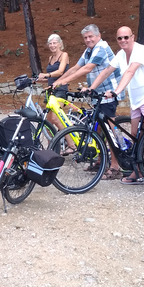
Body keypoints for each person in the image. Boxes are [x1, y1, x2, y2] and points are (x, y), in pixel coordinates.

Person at [87, 26, 144, 198]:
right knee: (135, 136)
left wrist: (117, 92)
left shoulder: (141, 50)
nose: (123, 40)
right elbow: (106, 71)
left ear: (132, 37)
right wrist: (91, 88)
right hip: (137, 101)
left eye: (126, 37)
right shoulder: (120, 55)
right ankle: (138, 172)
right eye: (120, 38)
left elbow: (130, 71)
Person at [52, 24, 124, 179]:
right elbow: (76, 67)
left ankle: (116, 166)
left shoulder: (101, 48)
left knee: (110, 131)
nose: (88, 39)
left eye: (91, 36)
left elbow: (87, 69)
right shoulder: (89, 50)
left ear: (98, 36)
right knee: (97, 129)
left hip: (108, 93)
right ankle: (100, 161)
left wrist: (62, 82)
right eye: (85, 38)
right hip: (97, 94)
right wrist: (58, 81)